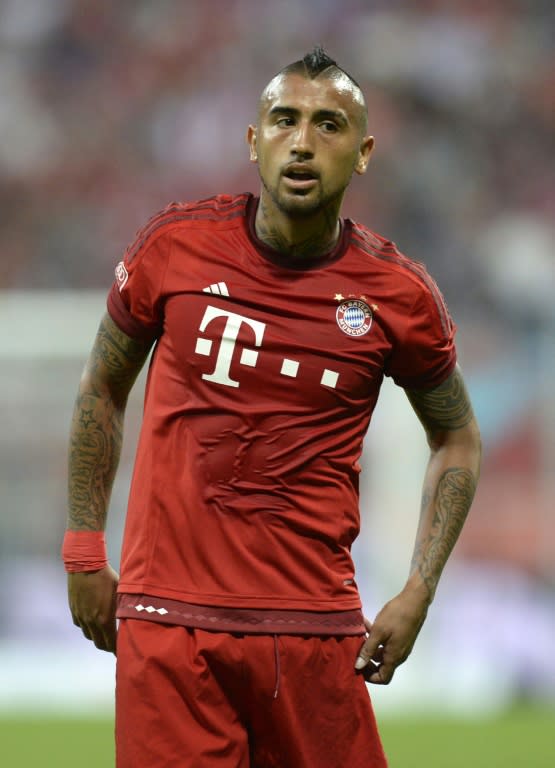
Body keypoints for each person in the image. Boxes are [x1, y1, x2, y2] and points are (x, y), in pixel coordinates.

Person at [63, 46, 481, 768]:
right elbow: (102, 386)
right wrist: (81, 552)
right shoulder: (175, 248)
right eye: (284, 120)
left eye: (329, 125)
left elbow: (456, 439)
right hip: (170, 624)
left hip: (314, 631)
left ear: (363, 153)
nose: (303, 141)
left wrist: (418, 589)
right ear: (253, 140)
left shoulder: (397, 296)